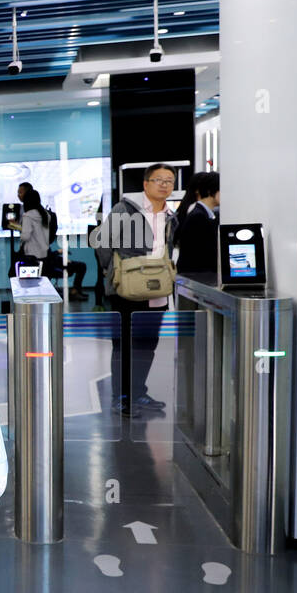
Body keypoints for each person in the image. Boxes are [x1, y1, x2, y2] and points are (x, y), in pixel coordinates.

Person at [91, 163, 180, 417]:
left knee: (147, 345)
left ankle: (139, 391)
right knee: (123, 345)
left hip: (158, 290)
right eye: (158, 180)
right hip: (127, 289)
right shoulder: (125, 209)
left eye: (169, 181)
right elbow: (103, 243)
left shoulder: (171, 216)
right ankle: (121, 396)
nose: (164, 185)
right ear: (145, 183)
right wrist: (111, 272)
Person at [174, 171, 220, 277]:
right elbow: (201, 253)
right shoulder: (198, 216)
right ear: (210, 191)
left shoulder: (203, 214)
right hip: (196, 277)